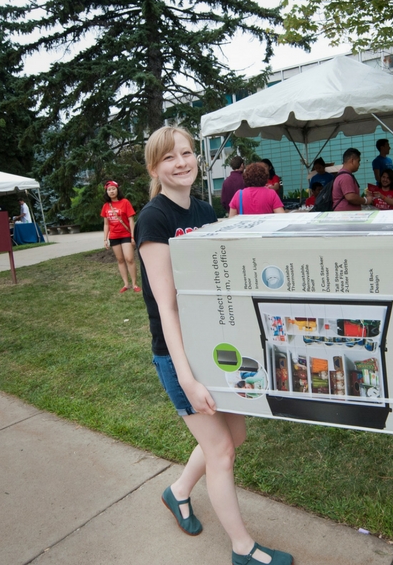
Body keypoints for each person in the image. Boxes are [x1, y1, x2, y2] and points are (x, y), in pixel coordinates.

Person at [135, 126, 294, 565]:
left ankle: (179, 490)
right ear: (155, 167)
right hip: (178, 354)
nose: (181, 162)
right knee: (220, 450)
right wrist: (185, 376)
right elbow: (166, 306)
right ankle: (243, 549)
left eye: (187, 153)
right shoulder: (154, 218)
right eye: (170, 157)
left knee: (234, 435)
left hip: (213, 346)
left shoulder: (205, 212)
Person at [101, 180, 139, 293]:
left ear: (117, 190)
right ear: (106, 192)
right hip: (114, 236)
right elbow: (106, 224)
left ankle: (134, 284)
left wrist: (133, 236)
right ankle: (126, 284)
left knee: (129, 259)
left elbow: (131, 220)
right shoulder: (106, 206)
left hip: (126, 235)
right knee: (120, 260)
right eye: (109, 190)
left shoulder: (125, 202)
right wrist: (105, 239)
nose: (111, 191)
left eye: (113, 189)